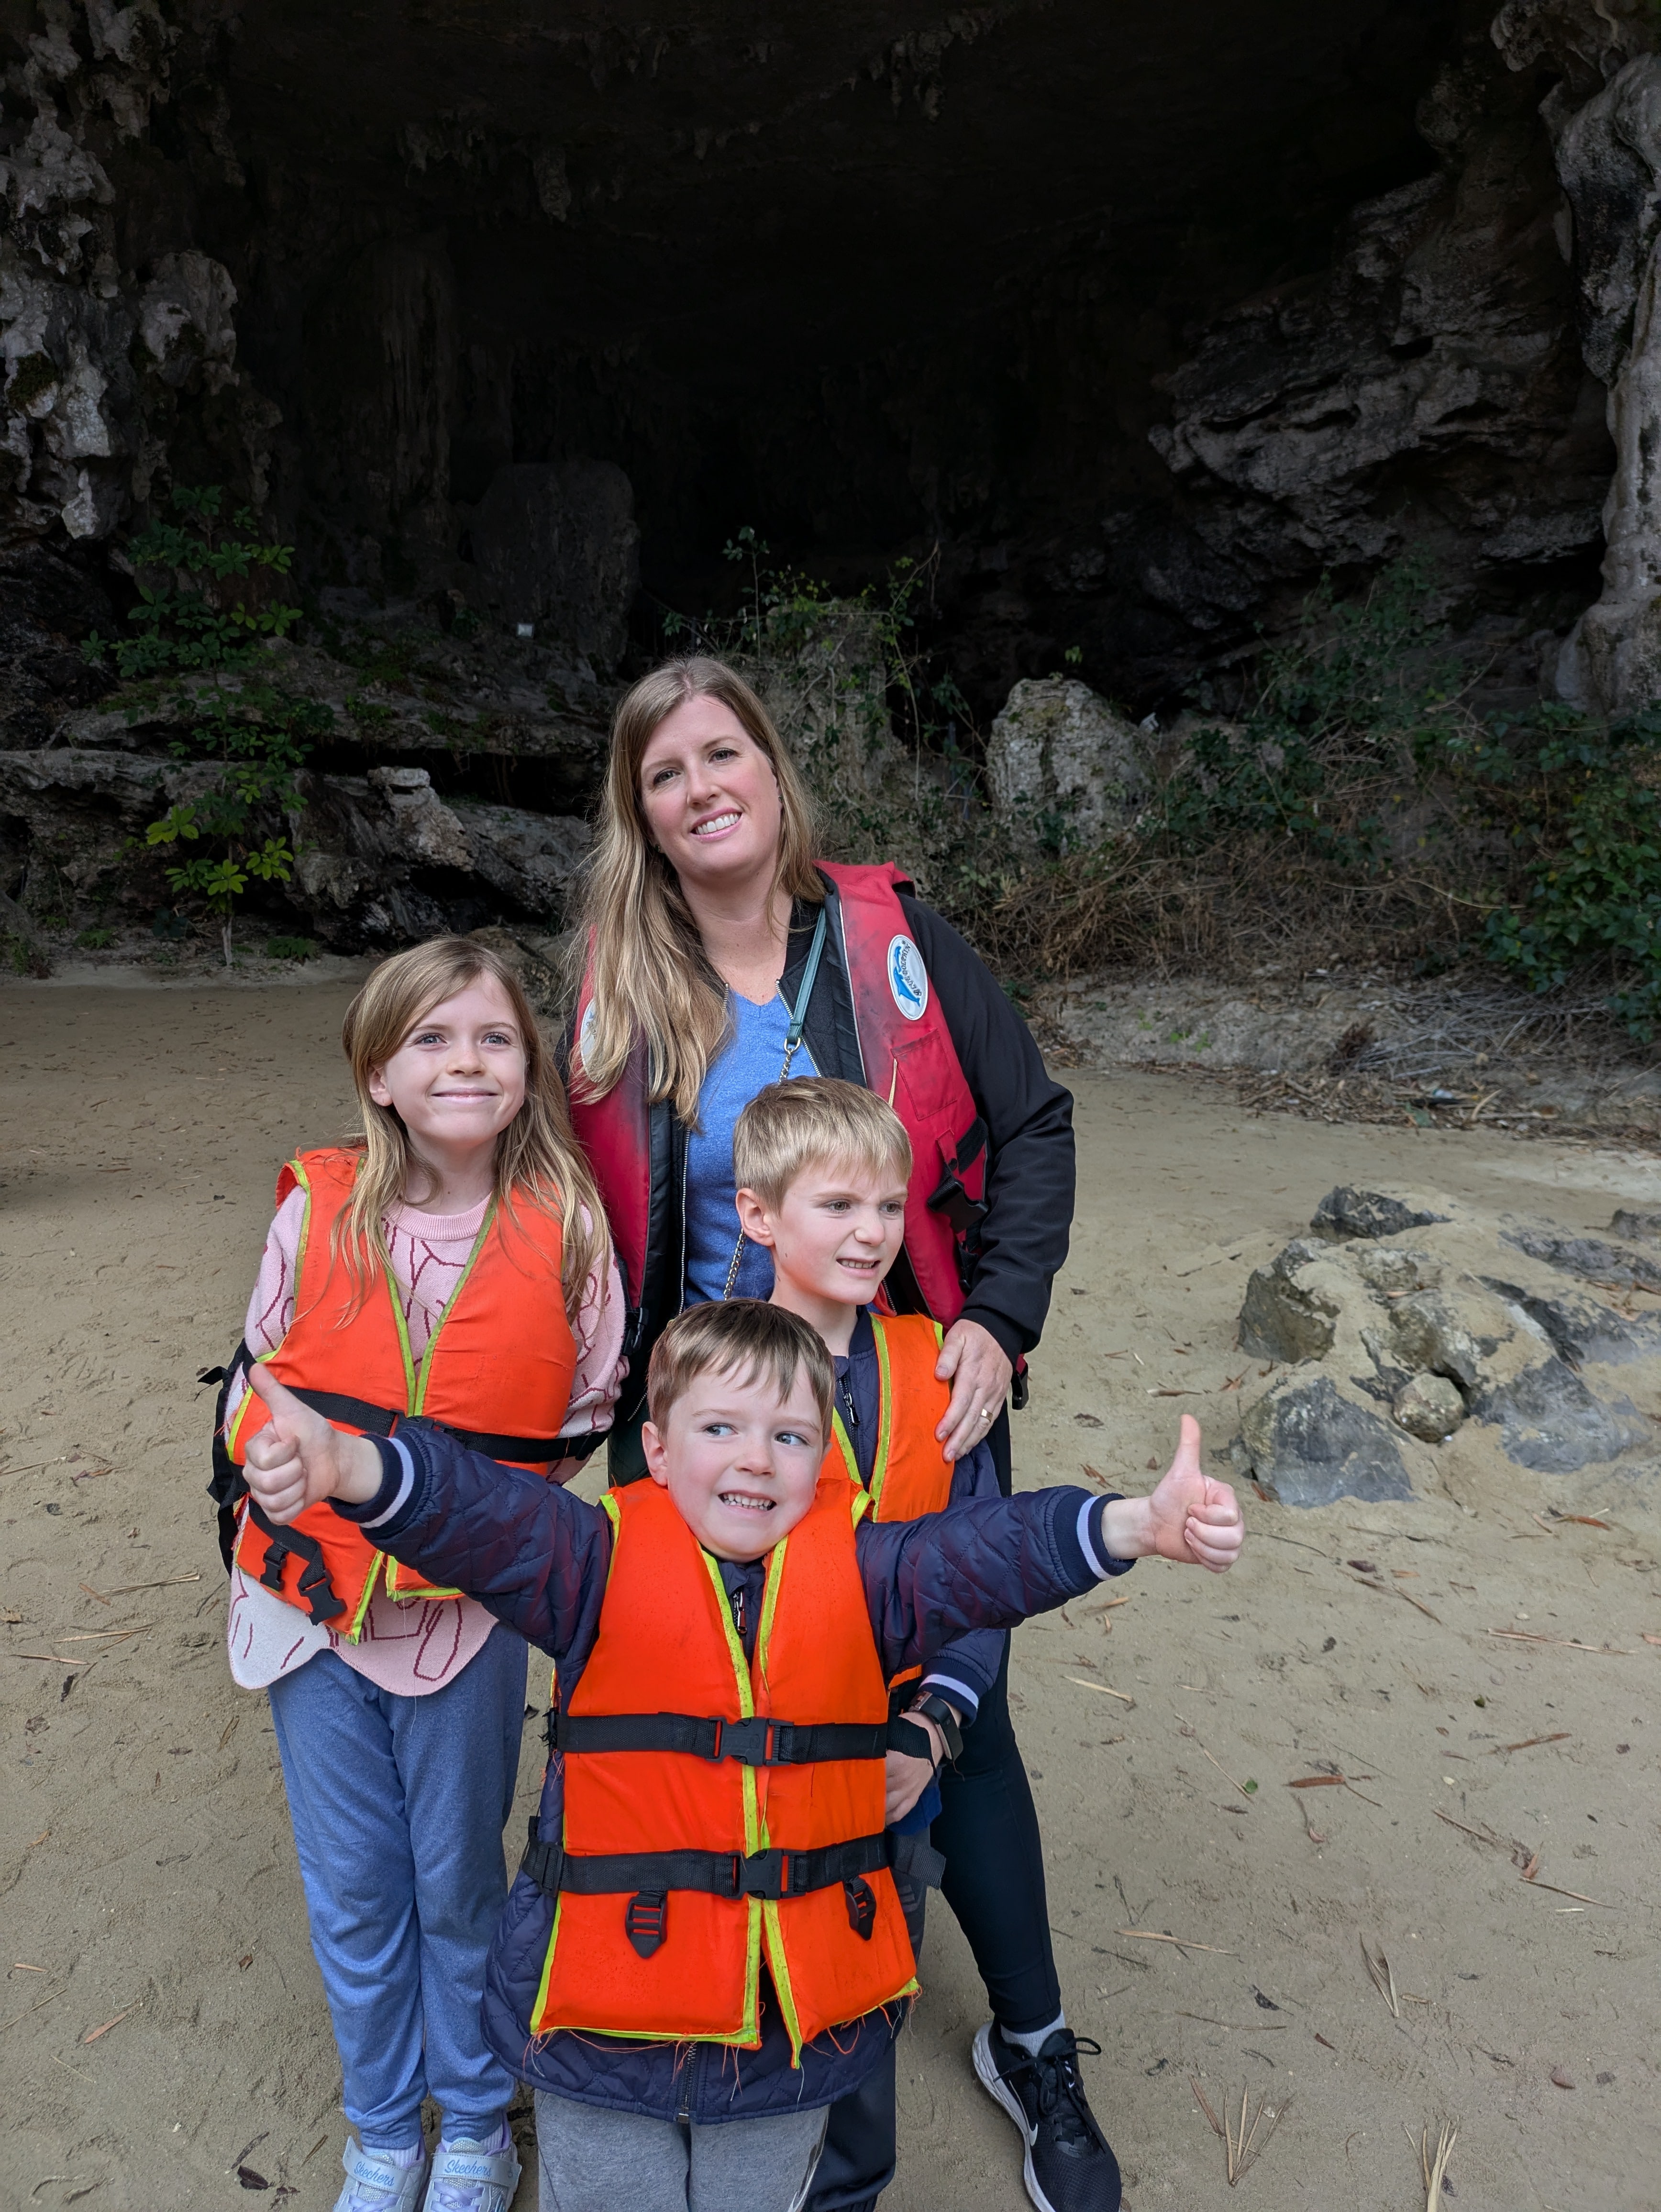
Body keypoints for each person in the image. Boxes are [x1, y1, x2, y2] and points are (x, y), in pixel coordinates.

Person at [234, 1301, 1245, 2212]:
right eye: (720, 1428)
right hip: (601, 2025)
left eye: (789, 1436)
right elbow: (482, 1517)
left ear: (822, 1458)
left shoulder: (873, 1575)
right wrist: (352, 1468)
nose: (756, 1459)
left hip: (783, 2034)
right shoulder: (587, 1565)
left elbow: (989, 1554)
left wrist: (1129, 1525)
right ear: (657, 1449)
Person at [565, 653, 1101, 2211]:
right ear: (640, 814)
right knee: (741, 1721)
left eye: (721, 753)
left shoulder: (888, 943)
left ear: (772, 769)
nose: (700, 789)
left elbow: (1033, 1122)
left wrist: (998, 1317)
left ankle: (1032, 2043)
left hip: (910, 1388)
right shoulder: (620, 988)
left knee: (955, 1713)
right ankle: (743, 2037)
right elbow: (565, 1208)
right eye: (665, 773)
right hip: (719, 1428)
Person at [208, 939, 626, 2212]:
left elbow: (587, 1410)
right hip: (305, 1608)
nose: (465, 1062)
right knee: (352, 1886)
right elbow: (254, 1379)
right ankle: (386, 2130)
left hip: (463, 1622)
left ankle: (478, 2125)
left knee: (456, 1882)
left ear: (529, 1069)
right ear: (378, 1074)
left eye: (494, 1038)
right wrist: (268, 1455)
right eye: (430, 1039)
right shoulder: (317, 1205)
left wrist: (480, 1523)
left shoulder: (568, 1227)